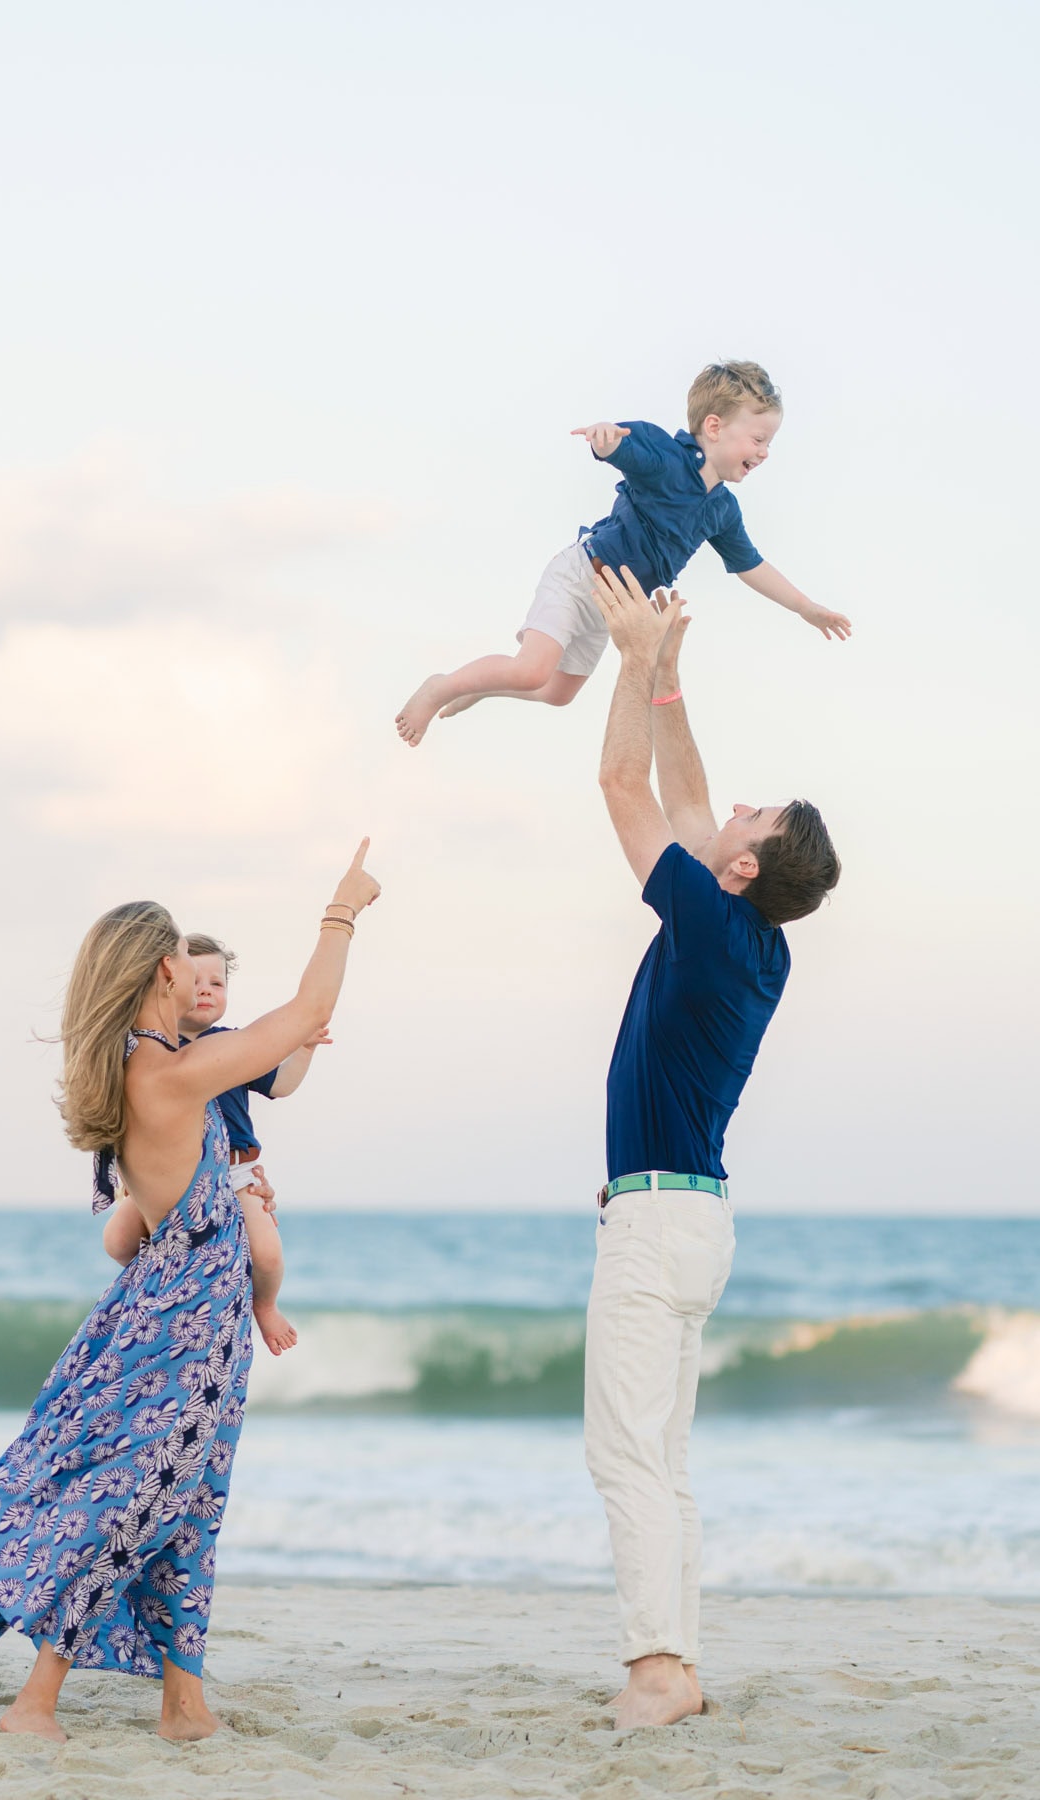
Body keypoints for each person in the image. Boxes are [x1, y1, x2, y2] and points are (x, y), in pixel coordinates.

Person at [0, 841, 381, 1744]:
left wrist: (228, 1215)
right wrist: (342, 910)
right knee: (143, 1501)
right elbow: (309, 1012)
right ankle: (35, 1703)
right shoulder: (166, 1072)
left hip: (172, 1311)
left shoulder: (137, 1067)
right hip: (189, 1327)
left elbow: (136, 1223)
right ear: (166, 968)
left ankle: (183, 1705)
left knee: (189, 1501)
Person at [584, 563, 839, 1730]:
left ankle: (655, 1673)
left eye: (752, 819)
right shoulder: (758, 943)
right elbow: (690, 807)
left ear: (742, 869)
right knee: (665, 1461)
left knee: (628, 1458)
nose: (733, 810)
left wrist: (634, 663)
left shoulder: (704, 914)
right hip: (699, 1223)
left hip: (652, 1222)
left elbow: (621, 783)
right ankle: (677, 1665)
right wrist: (673, 677)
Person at [394, 361, 851, 746]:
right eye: (758, 439)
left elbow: (751, 566)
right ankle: (441, 686)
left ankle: (487, 686)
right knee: (534, 671)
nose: (765, 452)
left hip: (611, 609)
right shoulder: (667, 459)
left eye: (769, 442)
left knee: (557, 693)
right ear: (714, 427)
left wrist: (806, 608)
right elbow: (626, 450)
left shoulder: (721, 510)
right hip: (581, 577)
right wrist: (607, 441)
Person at [102, 933, 330, 1355]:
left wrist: (303, 1050)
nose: (207, 989)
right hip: (166, 1178)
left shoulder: (231, 1044)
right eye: (198, 980)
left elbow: (280, 1085)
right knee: (117, 1240)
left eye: (218, 983)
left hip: (235, 1172)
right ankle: (163, 1280)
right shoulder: (149, 1051)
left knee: (267, 1254)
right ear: (169, 983)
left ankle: (264, 1305)